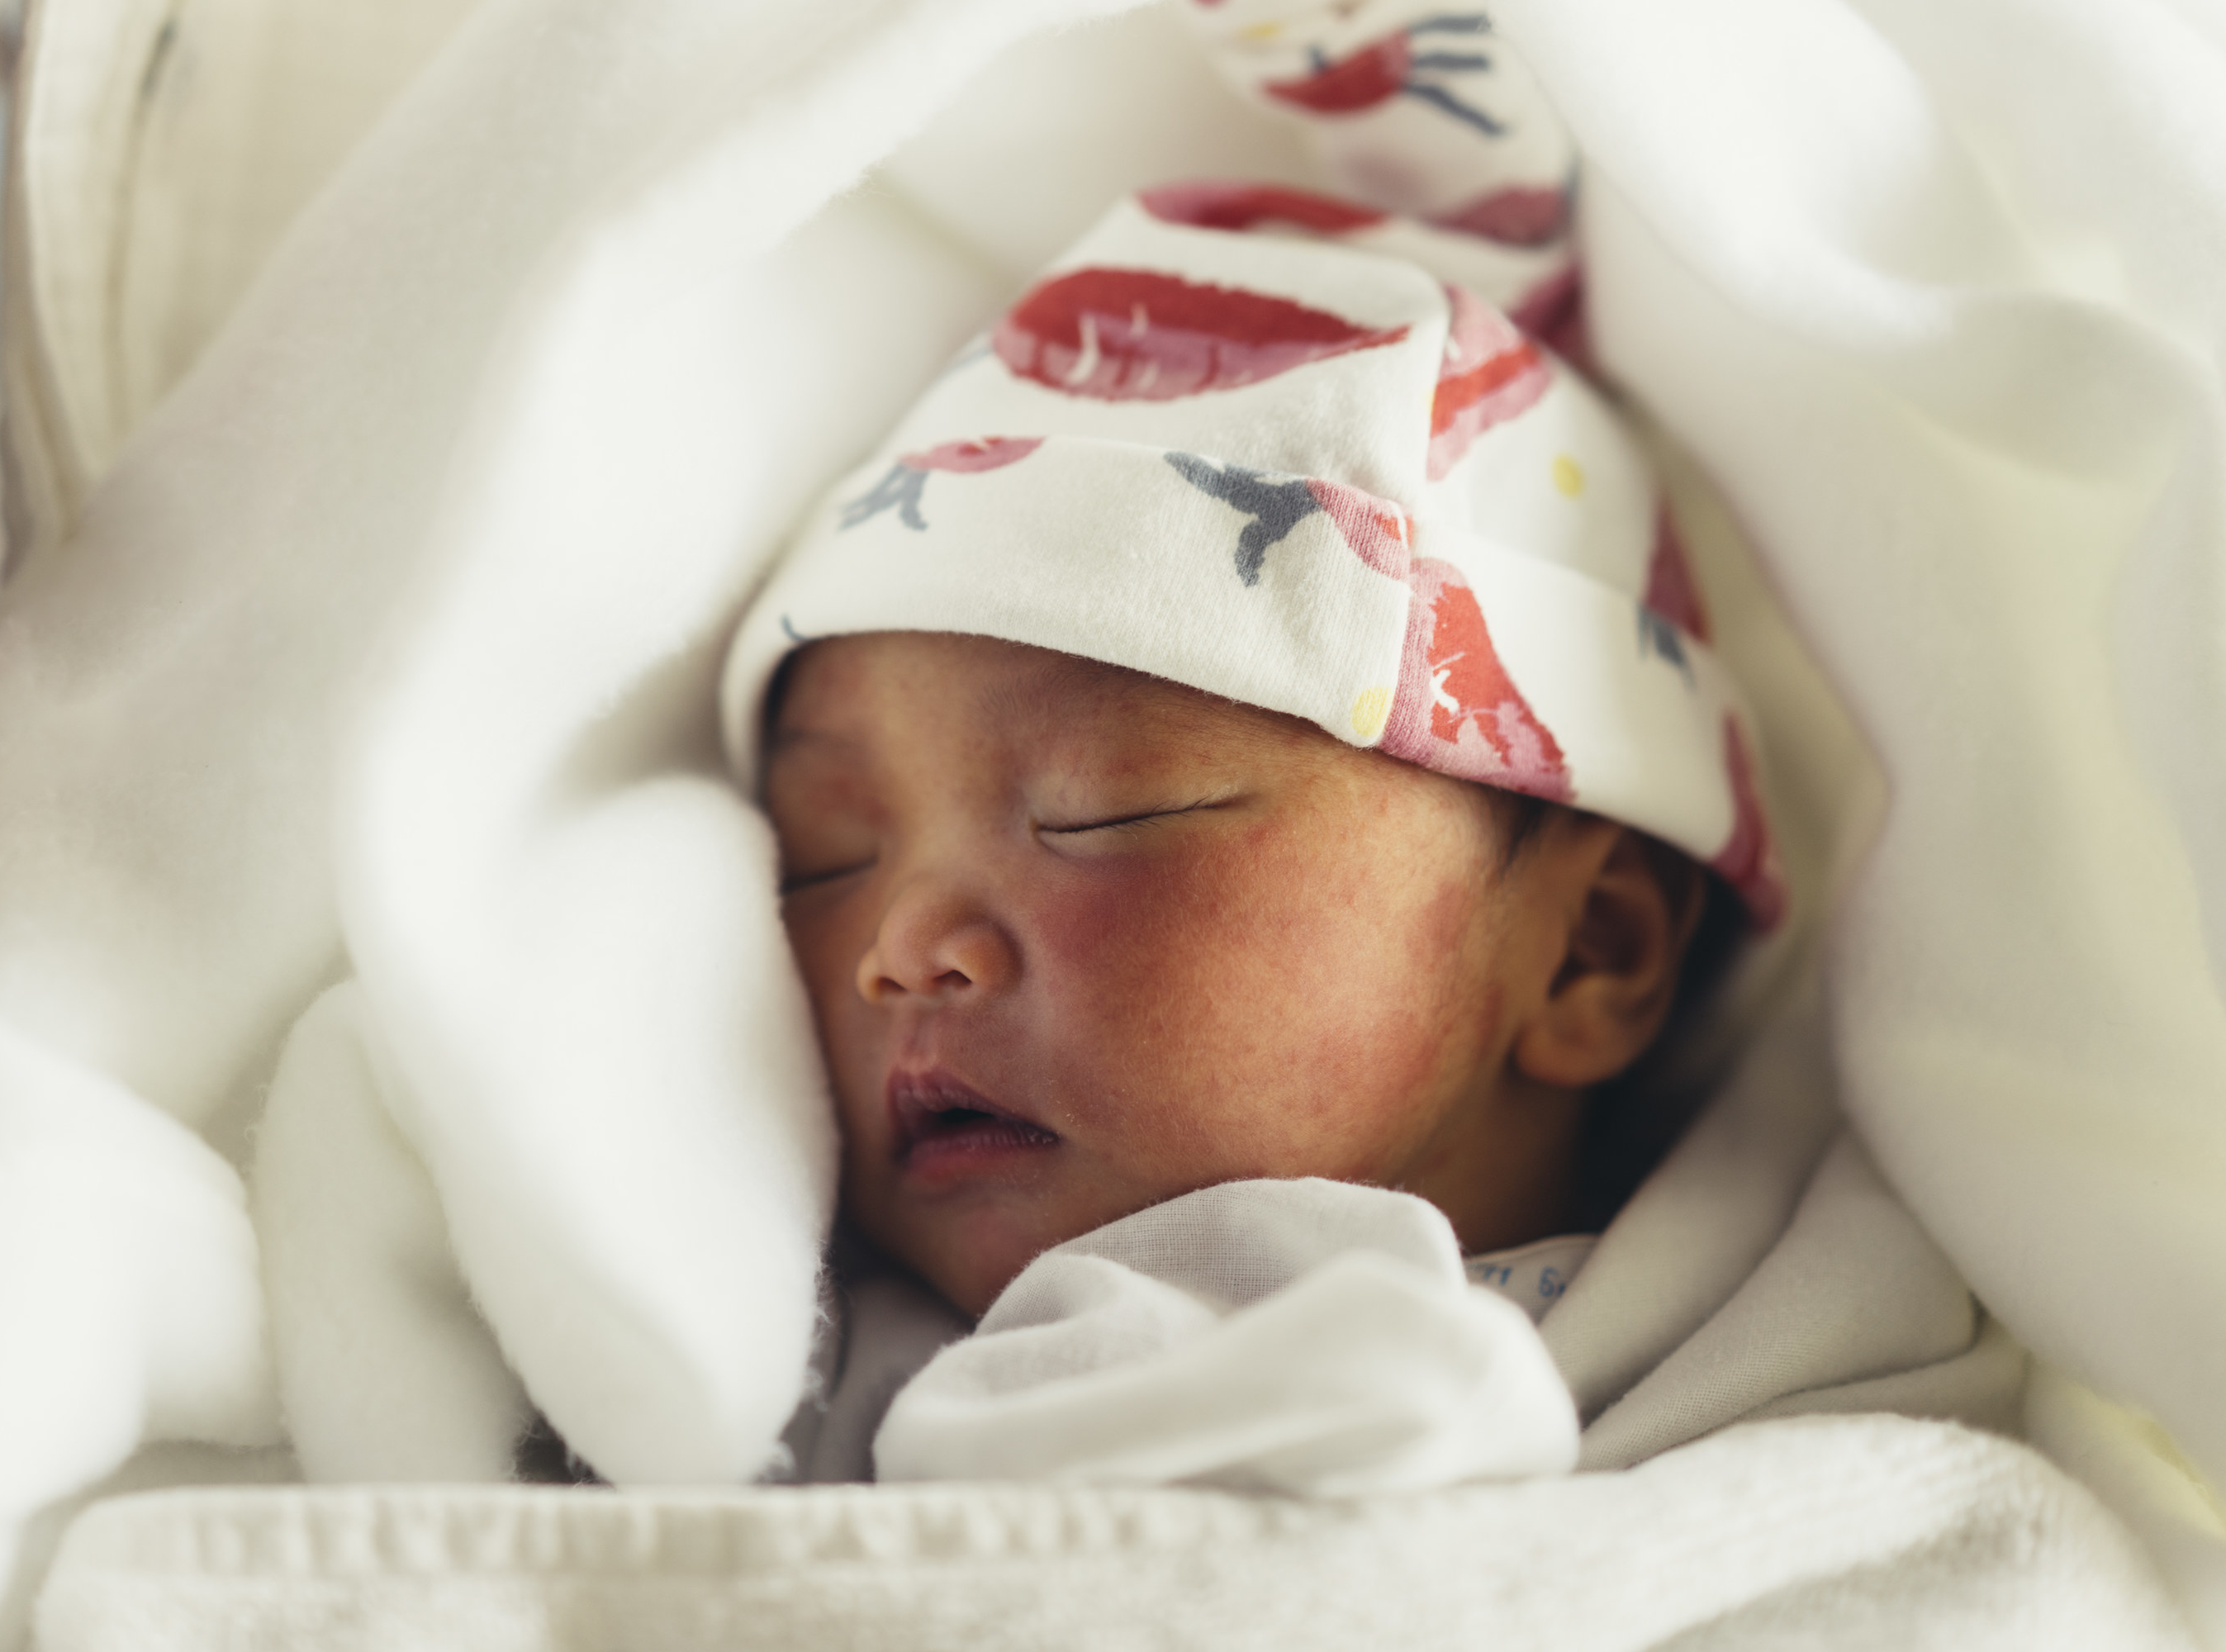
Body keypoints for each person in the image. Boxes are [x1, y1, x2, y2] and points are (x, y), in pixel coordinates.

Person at [711, 181, 1786, 1490]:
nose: (902, 946)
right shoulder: (754, 1384)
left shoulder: (1798, 1344)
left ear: (1585, 952)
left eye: (1105, 809)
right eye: (826, 850)